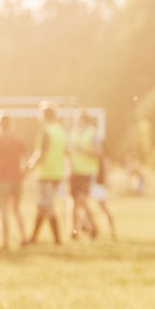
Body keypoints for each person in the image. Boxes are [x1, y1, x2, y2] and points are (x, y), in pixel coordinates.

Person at [0, 112, 30, 250]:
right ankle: (24, 237)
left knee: (4, 210)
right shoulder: (18, 139)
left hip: (3, 179)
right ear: (11, 123)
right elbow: (25, 160)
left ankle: (5, 242)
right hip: (17, 179)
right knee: (16, 209)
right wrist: (24, 173)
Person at [24, 102, 69, 245]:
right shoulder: (60, 130)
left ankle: (57, 240)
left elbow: (41, 153)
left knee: (48, 206)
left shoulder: (45, 131)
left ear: (43, 115)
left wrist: (29, 167)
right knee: (42, 206)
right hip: (57, 172)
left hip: (47, 173)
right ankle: (34, 238)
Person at [66, 112, 103, 240]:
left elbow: (99, 152)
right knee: (74, 202)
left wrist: (83, 150)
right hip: (74, 171)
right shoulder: (73, 133)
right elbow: (69, 153)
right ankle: (74, 230)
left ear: (84, 120)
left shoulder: (92, 133)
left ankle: (94, 226)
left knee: (82, 200)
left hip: (87, 172)